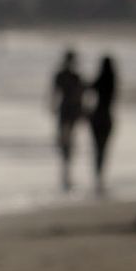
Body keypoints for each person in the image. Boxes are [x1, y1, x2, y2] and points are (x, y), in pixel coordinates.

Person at [50, 51, 86, 191]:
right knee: (67, 140)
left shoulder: (64, 75)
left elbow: (55, 92)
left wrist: (53, 105)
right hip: (69, 111)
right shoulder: (74, 76)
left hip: (66, 111)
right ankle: (66, 168)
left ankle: (65, 168)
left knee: (65, 140)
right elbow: (80, 95)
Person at [86, 56, 117, 195]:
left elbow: (87, 88)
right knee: (103, 149)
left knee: (96, 148)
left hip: (97, 117)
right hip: (107, 117)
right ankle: (101, 177)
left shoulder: (99, 81)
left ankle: (97, 177)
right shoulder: (112, 82)